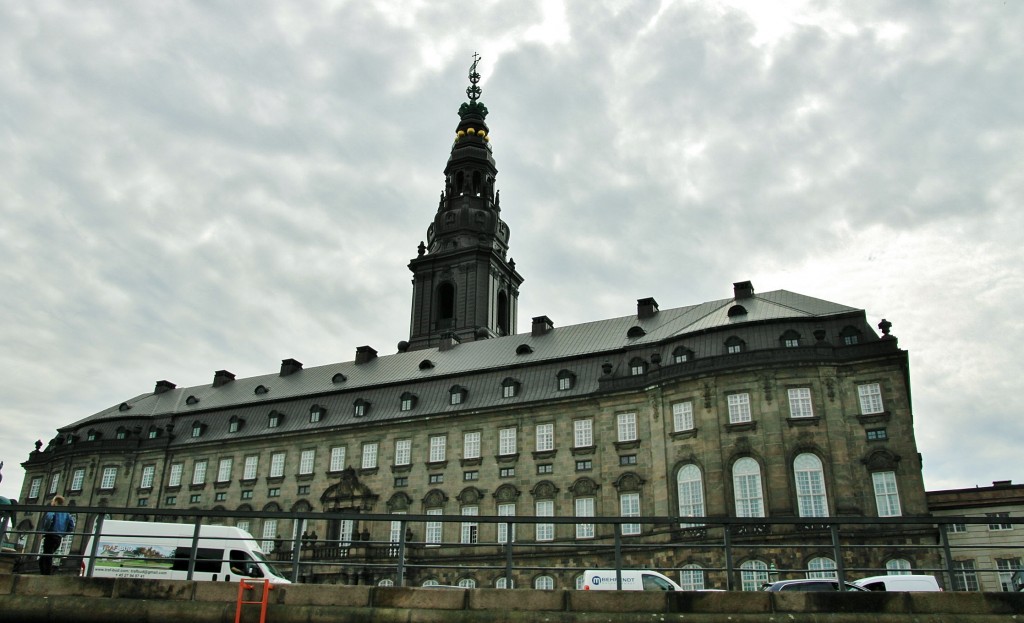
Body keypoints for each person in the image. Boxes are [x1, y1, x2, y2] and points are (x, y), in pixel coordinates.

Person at [39, 495, 75, 575]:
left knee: (47, 556)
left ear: (56, 502)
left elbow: (49, 519)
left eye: (52, 501)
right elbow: (71, 526)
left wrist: (45, 531)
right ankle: (45, 574)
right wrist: (63, 534)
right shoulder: (67, 513)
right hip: (58, 538)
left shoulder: (54, 510)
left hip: (50, 535)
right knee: (44, 557)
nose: (51, 502)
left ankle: (46, 575)